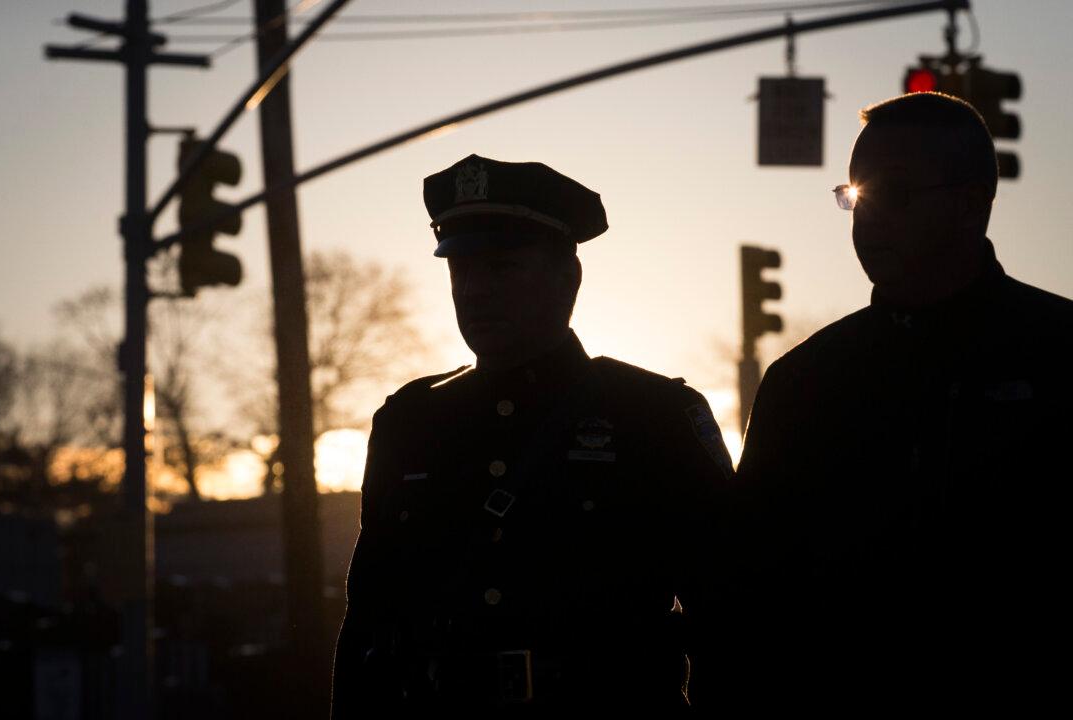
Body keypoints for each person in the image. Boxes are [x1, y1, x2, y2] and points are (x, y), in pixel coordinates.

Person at [330, 155, 734, 712]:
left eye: (501, 267)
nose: (473, 291)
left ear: (568, 277)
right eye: (460, 270)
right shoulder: (410, 422)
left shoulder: (653, 415)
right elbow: (369, 627)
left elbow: (730, 620)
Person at [734, 92, 1073, 706]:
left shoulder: (1061, 356)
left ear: (972, 204)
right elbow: (748, 608)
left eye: (895, 193)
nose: (866, 218)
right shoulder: (802, 383)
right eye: (856, 195)